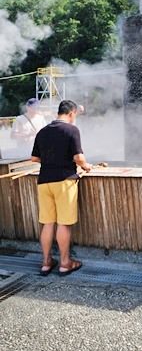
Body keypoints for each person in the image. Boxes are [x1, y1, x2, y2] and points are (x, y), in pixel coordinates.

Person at [31, 100, 92, 277]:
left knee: (48, 223)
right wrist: (86, 166)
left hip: (44, 182)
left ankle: (46, 262)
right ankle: (65, 263)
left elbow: (34, 158)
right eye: (75, 116)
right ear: (71, 113)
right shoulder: (71, 130)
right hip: (64, 182)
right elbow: (79, 157)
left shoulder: (42, 132)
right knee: (64, 223)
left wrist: (51, 160)